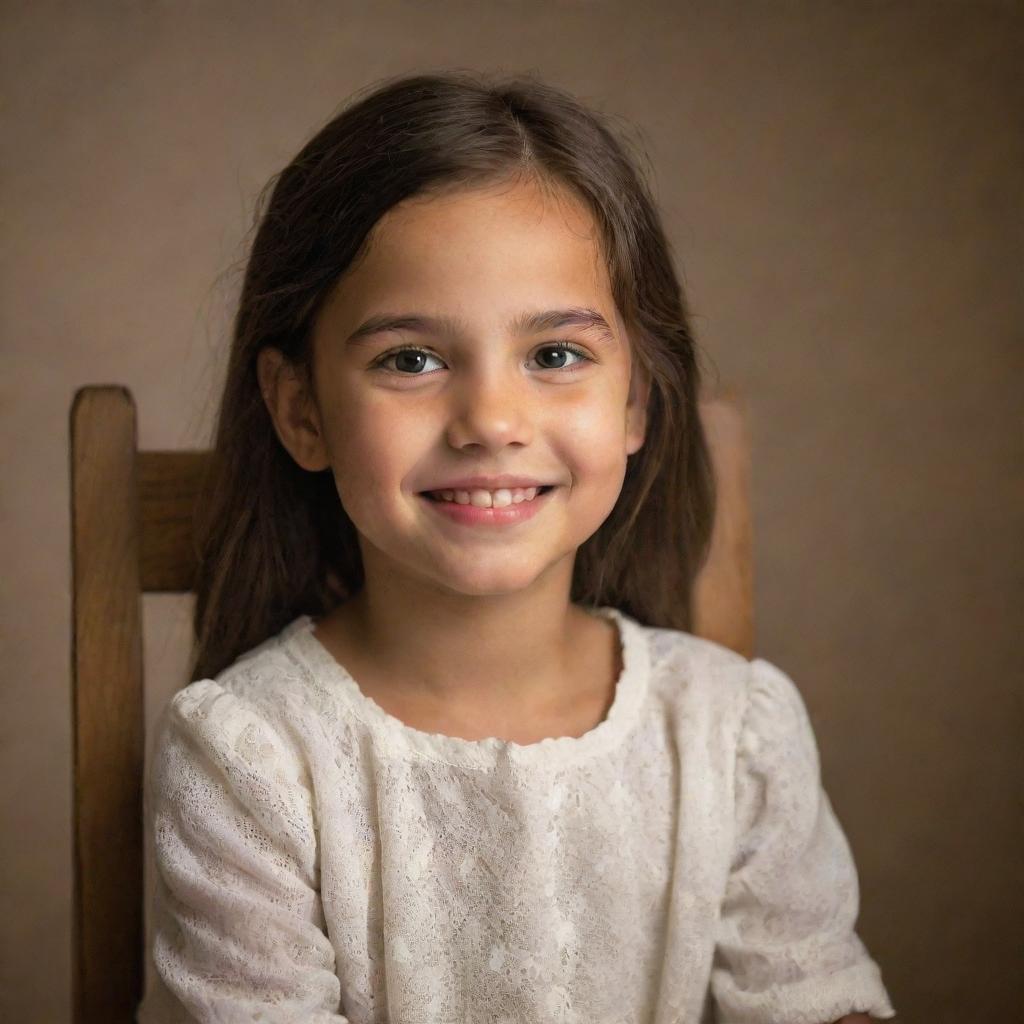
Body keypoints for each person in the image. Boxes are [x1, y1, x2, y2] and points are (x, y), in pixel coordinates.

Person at [135, 70, 897, 1024]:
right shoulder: (250, 760)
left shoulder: (732, 734)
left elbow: (815, 998)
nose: (491, 420)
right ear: (301, 411)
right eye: (410, 360)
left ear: (635, 403)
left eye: (555, 355)